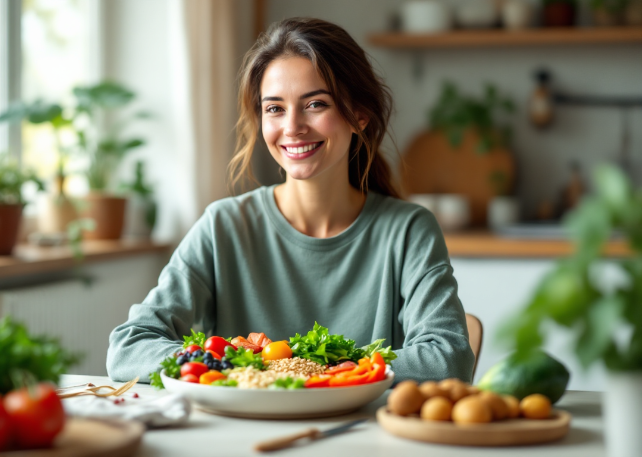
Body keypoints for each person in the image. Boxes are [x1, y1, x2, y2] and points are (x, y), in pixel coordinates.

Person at [107, 18, 474, 384]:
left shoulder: (409, 231)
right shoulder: (223, 226)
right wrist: (252, 369)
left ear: (359, 116)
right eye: (275, 108)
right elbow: (128, 348)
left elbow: (448, 358)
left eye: (315, 104)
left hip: (359, 438)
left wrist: (304, 371)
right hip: (239, 439)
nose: (292, 126)